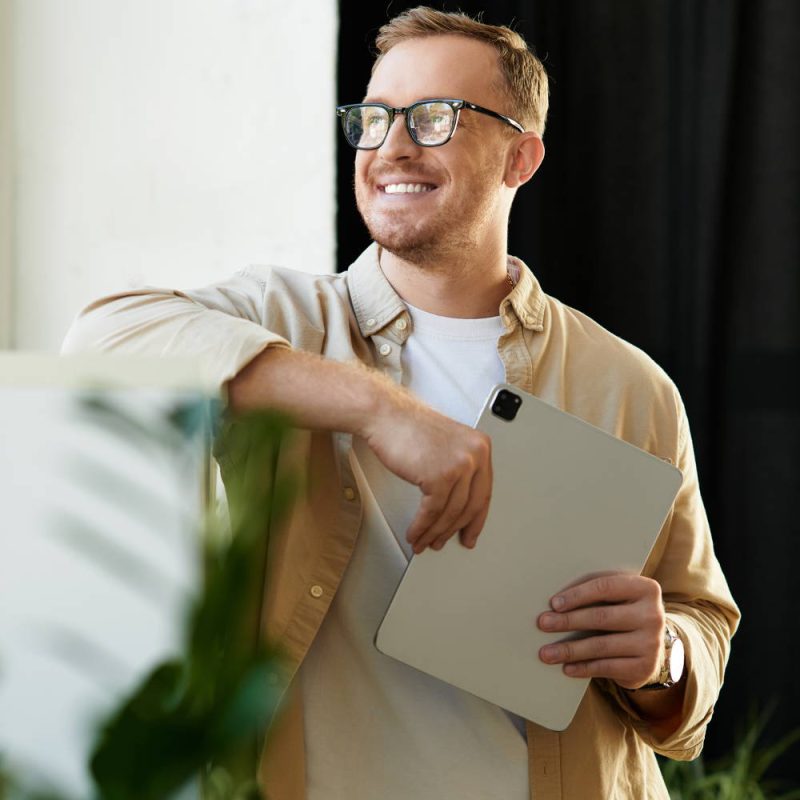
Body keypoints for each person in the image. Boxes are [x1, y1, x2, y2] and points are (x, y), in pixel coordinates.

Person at [62, 7, 739, 799]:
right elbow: (100, 338)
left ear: (522, 157)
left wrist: (664, 656)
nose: (391, 146)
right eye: (374, 118)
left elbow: (700, 625)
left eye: (434, 117)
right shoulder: (283, 321)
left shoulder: (631, 385)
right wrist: (378, 409)